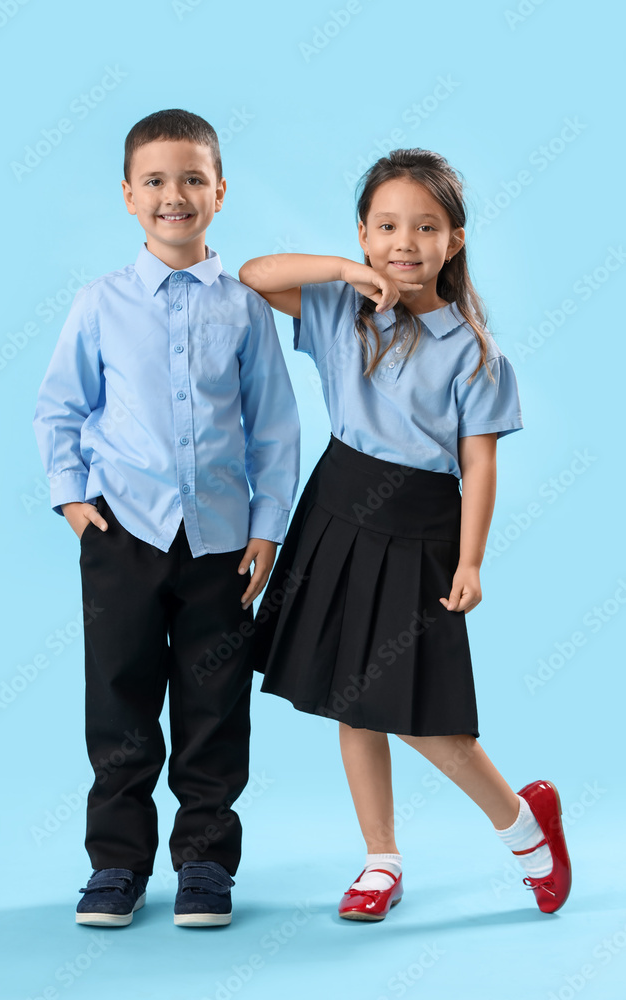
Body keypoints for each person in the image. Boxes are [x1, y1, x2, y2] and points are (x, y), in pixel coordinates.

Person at [238, 148, 571, 922]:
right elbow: (255, 273)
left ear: (453, 240)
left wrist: (471, 558)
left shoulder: (475, 353)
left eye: (425, 226)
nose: (404, 242)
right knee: (351, 704)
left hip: (420, 527)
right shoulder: (335, 310)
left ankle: (526, 830)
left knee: (423, 712)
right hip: (334, 512)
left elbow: (477, 467)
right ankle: (379, 861)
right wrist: (345, 272)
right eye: (385, 225)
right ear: (361, 233)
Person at [32, 109, 300, 928]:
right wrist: (74, 501)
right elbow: (60, 408)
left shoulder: (244, 308)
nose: (172, 195)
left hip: (220, 540)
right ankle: (115, 865)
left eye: (191, 179)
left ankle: (206, 863)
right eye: (154, 180)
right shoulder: (100, 303)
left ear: (219, 192)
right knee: (118, 696)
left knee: (214, 701)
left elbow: (274, 424)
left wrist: (266, 525)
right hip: (123, 533)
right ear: (127, 195)